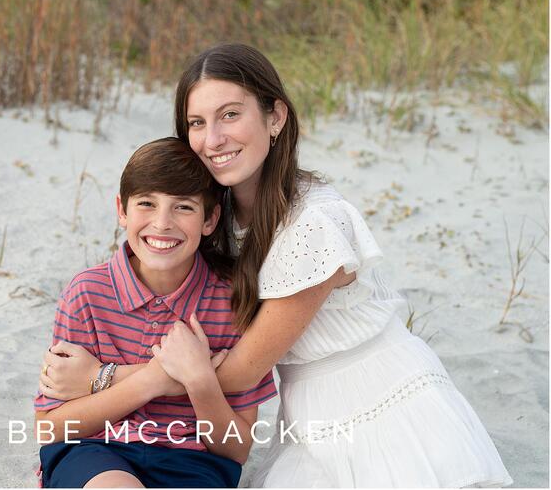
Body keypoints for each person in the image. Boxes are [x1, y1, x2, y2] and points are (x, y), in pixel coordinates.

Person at [38, 43, 513, 487]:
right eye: (197, 122)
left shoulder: (312, 222)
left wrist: (101, 378)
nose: (213, 138)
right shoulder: (218, 214)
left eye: (230, 115)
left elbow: (240, 372)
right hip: (306, 408)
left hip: (376, 398)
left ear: (275, 117)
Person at [33, 137, 277, 488]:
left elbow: (236, 450)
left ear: (210, 219)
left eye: (183, 208)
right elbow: (50, 426)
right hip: (95, 450)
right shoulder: (86, 293)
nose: (162, 223)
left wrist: (199, 379)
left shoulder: (232, 300)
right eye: (147, 203)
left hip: (194, 461)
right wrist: (153, 380)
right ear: (122, 209)